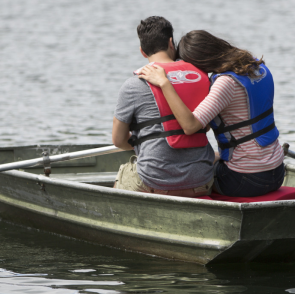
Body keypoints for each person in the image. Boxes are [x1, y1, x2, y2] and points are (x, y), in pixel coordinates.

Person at [137, 30, 284, 197]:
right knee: (212, 157)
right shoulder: (257, 66)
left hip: (244, 179)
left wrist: (164, 83)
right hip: (277, 171)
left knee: (193, 176)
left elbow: (191, 126)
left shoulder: (226, 83)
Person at [111, 17, 216, 197]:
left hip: (154, 182)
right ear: (170, 43)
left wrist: (144, 142)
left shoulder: (132, 86)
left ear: (142, 52)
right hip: (202, 181)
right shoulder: (201, 76)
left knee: (123, 173)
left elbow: (119, 140)